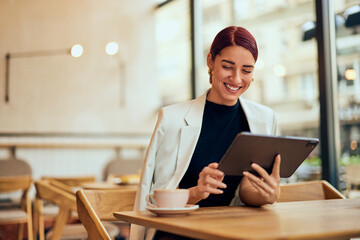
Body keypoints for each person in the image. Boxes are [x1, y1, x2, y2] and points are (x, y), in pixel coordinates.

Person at [130, 26, 281, 240]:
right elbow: (153, 200)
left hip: (233, 231)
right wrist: (196, 193)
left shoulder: (265, 119)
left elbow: (246, 192)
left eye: (247, 70)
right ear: (210, 62)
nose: (237, 79)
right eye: (228, 67)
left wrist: (268, 194)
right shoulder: (171, 119)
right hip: (176, 232)